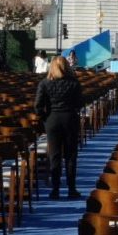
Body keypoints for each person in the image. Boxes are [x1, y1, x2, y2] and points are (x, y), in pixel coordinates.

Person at [35, 55, 84, 200]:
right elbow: (79, 103)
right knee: (70, 156)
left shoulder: (44, 83)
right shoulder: (74, 83)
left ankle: (55, 189)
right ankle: (71, 189)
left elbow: (37, 106)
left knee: (54, 156)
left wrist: (45, 118)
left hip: (52, 120)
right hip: (70, 119)